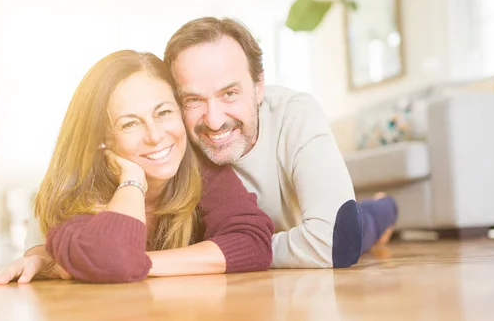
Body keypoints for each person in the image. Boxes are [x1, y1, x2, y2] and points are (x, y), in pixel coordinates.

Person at [0, 50, 274, 284]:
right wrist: (132, 181)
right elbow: (116, 260)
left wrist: (140, 262)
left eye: (164, 113)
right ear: (101, 138)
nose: (156, 135)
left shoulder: (199, 167)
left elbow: (253, 244)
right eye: (130, 123)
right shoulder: (75, 194)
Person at [162, 17, 398, 268]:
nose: (214, 121)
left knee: (362, 224)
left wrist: (240, 250)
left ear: (259, 86)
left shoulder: (296, 114)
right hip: (297, 244)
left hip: (306, 227)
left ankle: (384, 206)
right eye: (193, 100)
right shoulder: (173, 139)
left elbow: (336, 244)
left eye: (229, 94)